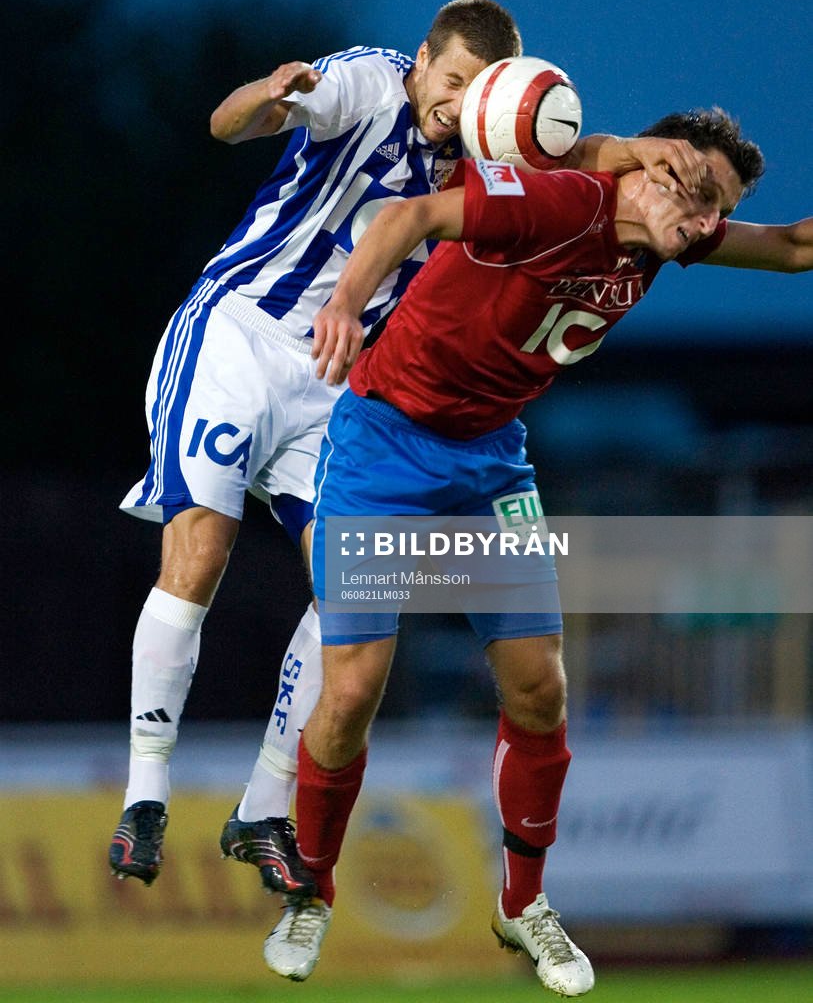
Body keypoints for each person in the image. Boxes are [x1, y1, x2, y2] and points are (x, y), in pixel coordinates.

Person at [107, 0, 709, 892]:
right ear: (421, 60)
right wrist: (268, 93)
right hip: (238, 334)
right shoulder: (365, 82)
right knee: (200, 551)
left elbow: (573, 157)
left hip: (330, 384)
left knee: (349, 594)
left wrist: (637, 152)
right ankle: (144, 797)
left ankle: (262, 810)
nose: (454, 102)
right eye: (450, 80)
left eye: (477, 93)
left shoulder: (487, 145)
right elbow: (226, 124)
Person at [260, 109, 813, 993]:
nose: (711, 223)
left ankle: (523, 904)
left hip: (492, 466)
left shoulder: (674, 239)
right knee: (354, 689)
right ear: (657, 167)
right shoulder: (559, 204)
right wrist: (344, 301)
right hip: (382, 449)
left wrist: (725, 222)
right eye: (705, 195)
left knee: (539, 685)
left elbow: (792, 248)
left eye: (722, 209)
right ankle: (311, 891)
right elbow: (411, 219)